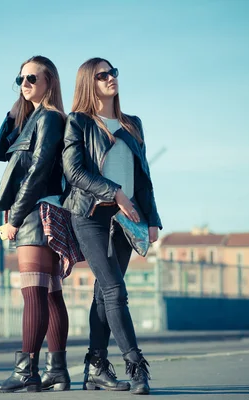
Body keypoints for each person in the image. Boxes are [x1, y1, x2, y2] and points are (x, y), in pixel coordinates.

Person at [61, 57, 163, 395]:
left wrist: (152, 219)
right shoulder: (78, 122)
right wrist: (115, 193)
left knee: (105, 295)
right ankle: (137, 367)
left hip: (127, 217)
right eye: (102, 75)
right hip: (89, 213)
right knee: (115, 290)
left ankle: (95, 366)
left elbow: (144, 177)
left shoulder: (132, 124)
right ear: (89, 82)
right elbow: (74, 172)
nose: (111, 79)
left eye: (113, 72)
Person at [0, 55, 75, 393]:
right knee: (51, 293)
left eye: (31, 79)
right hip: (42, 212)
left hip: (37, 213)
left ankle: (26, 370)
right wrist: (13, 112)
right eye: (20, 79)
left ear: (48, 82)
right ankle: (57, 371)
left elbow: (39, 171)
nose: (24, 84)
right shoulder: (32, 119)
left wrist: (18, 217)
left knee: (34, 292)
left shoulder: (50, 119)